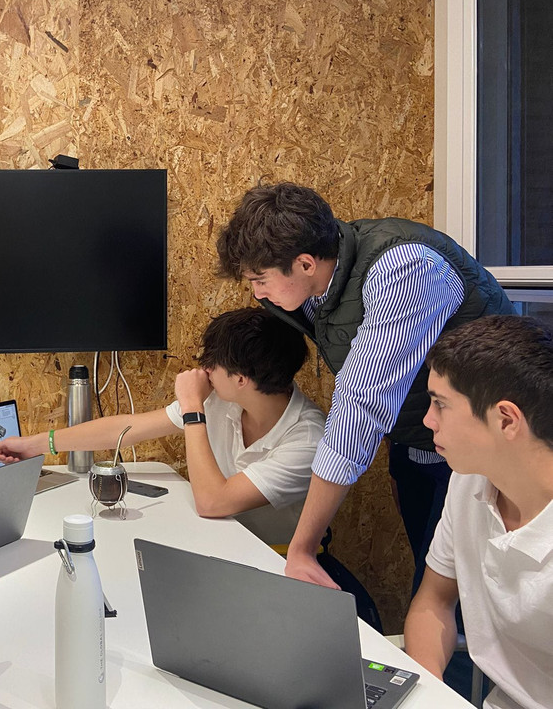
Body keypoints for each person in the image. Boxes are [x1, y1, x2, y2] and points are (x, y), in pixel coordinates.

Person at [216, 182, 515, 590]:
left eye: (261, 279)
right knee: (431, 575)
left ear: (305, 263)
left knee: (457, 596)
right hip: (423, 441)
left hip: (490, 450)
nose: (257, 293)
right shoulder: (316, 285)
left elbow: (360, 404)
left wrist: (301, 549)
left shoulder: (404, 268)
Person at [0, 307, 325, 546]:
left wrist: (193, 408)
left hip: (269, 560)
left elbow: (212, 502)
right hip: (213, 542)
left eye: (212, 363)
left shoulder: (307, 440)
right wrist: (35, 444)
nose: (204, 370)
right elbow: (126, 428)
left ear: (240, 379)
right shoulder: (225, 397)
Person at [404, 315, 553, 709]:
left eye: (440, 404)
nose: (427, 420)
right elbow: (433, 603)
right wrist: (429, 695)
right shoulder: (470, 479)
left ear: (506, 419)